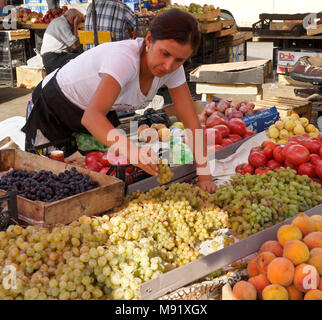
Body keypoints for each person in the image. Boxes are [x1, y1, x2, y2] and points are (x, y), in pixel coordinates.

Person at [22, 8, 216, 193]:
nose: (168, 66)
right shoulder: (125, 59)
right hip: (54, 107)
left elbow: (191, 123)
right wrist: (131, 150)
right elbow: (92, 117)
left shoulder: (173, 70)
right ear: (149, 39)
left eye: (179, 60)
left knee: (88, 182)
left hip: (92, 113)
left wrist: (205, 175)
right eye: (165, 53)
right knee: (46, 182)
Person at [40, 8, 85, 74]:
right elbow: (74, 45)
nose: (78, 24)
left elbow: (74, 44)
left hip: (54, 56)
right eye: (78, 22)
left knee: (80, 56)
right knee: (82, 59)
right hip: (53, 58)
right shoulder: (62, 24)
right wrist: (75, 25)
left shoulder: (59, 21)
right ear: (73, 19)